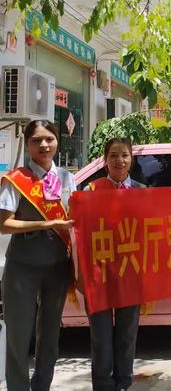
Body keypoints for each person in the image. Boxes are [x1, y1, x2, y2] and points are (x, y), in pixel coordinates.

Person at [0, 120, 76, 391]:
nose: (44, 145)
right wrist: (46, 224)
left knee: (51, 335)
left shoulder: (68, 178)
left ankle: (42, 385)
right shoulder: (16, 180)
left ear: (57, 141)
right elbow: (4, 224)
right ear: (28, 144)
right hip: (23, 266)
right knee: (19, 335)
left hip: (56, 266)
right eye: (36, 141)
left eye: (49, 139)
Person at [84, 137, 144, 391]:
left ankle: (123, 383)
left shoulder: (143, 192)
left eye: (124, 155)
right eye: (113, 155)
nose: (119, 160)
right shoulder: (91, 191)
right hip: (99, 272)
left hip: (130, 271)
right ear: (105, 160)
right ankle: (102, 384)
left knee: (127, 332)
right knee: (101, 334)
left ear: (131, 159)